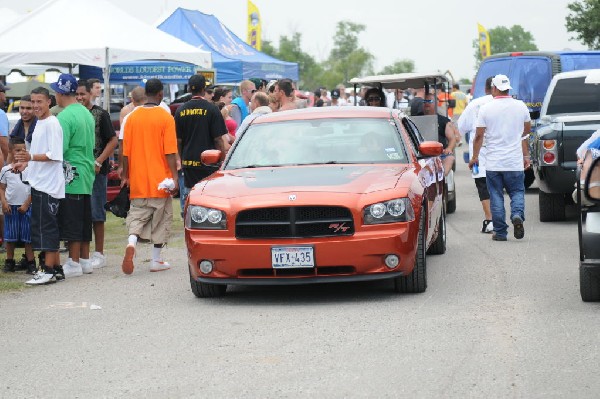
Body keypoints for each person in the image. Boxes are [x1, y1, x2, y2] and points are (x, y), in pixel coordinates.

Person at [121, 78, 179, 274]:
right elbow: (170, 151)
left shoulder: (131, 118)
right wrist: (175, 177)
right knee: (161, 219)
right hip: (160, 180)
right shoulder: (165, 117)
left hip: (138, 179)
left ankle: (131, 243)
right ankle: (156, 260)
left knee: (137, 216)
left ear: (145, 94)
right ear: (161, 94)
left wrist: (126, 175)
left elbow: (125, 152)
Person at [469, 74, 531, 241]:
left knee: (496, 195)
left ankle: (501, 233)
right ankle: (517, 214)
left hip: (494, 163)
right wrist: (525, 153)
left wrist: (475, 157)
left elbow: (479, 136)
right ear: (508, 88)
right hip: (514, 161)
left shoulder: (486, 108)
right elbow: (526, 132)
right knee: (517, 191)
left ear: (494, 88)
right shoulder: (520, 106)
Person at [14, 87, 65, 285]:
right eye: (33, 102)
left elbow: (55, 155)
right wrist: (26, 163)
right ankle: (57, 269)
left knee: (47, 229)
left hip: (48, 186)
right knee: (45, 227)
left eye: (39, 102)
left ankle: (48, 270)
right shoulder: (40, 123)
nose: (35, 106)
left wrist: (31, 157)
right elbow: (38, 154)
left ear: (49, 102)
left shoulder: (52, 124)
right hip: (40, 183)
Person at [53, 74, 96, 276]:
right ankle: (85, 260)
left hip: (71, 173)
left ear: (60, 93)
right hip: (86, 172)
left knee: (72, 218)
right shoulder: (86, 112)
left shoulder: (64, 116)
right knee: (84, 217)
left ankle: (73, 262)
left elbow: (59, 149)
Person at [76, 79, 118, 269]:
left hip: (96, 171)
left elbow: (113, 141)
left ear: (90, 94)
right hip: (77, 171)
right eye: (76, 95)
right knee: (80, 213)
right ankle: (81, 254)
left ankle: (99, 253)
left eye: (82, 94)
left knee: (96, 213)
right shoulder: (73, 114)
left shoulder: (100, 114)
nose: (79, 98)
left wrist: (99, 160)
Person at [175, 74, 229, 200]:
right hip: (209, 162)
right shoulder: (212, 109)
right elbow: (218, 139)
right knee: (208, 197)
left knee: (190, 196)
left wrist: (182, 158)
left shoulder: (180, 110)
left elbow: (178, 140)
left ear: (189, 89)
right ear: (204, 89)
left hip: (188, 162)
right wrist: (222, 159)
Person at [458, 76, 494, 233]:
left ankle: (490, 220)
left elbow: (462, 127)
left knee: (482, 186)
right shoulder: (511, 104)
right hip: (502, 153)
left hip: (479, 155)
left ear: (486, 88)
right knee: (499, 186)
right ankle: (503, 218)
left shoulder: (475, 104)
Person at [0, 137, 36, 274]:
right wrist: (4, 202)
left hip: (26, 207)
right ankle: (9, 261)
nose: (21, 153)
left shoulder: (30, 169)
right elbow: (2, 188)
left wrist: (27, 203)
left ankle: (31, 262)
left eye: (24, 150)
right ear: (10, 151)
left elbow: (34, 188)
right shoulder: (5, 170)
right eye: (17, 150)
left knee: (28, 238)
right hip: (11, 208)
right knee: (10, 237)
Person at [423, 93, 457, 176]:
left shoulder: (443, 121)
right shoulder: (416, 120)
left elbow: (452, 139)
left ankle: (441, 178)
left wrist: (449, 148)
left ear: (436, 103)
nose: (426, 103)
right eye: (424, 101)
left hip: (440, 154)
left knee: (450, 158)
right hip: (422, 154)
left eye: (429, 101)